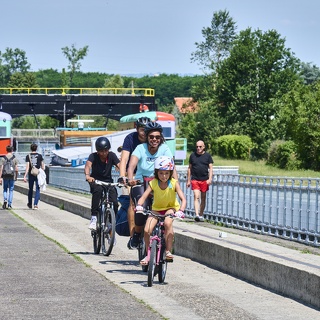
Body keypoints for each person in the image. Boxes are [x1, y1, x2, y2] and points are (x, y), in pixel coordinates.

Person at [126, 121, 177, 249]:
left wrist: (175, 183)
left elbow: (172, 167)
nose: (155, 139)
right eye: (152, 137)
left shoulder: (164, 149)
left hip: (160, 182)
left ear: (161, 138)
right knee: (141, 207)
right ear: (147, 137)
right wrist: (130, 179)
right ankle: (137, 234)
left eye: (157, 137)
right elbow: (131, 166)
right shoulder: (140, 148)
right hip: (141, 182)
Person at [135, 156, 186, 265]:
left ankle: (168, 251)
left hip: (170, 208)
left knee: (168, 223)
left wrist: (181, 210)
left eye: (167, 173)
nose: (164, 176)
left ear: (171, 173)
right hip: (156, 210)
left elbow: (183, 199)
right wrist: (139, 205)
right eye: (161, 173)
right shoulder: (153, 183)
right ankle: (148, 255)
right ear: (157, 172)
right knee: (147, 230)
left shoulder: (174, 183)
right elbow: (144, 196)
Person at [118, 117, 151, 238]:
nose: (145, 133)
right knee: (133, 202)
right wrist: (123, 177)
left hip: (150, 175)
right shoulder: (130, 139)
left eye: (147, 130)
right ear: (136, 128)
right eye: (142, 130)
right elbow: (124, 159)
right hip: (134, 175)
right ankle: (133, 236)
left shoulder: (152, 139)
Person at [85, 136, 120, 230]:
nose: (104, 153)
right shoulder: (93, 156)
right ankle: (94, 217)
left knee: (115, 202)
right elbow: (88, 165)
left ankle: (111, 222)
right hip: (95, 180)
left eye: (106, 150)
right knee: (98, 191)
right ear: (97, 151)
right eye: (101, 151)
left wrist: (125, 175)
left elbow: (119, 165)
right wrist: (88, 176)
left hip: (108, 182)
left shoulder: (112, 155)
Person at [187, 140, 213, 222]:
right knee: (196, 196)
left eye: (200, 147)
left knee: (203, 197)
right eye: (197, 147)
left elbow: (211, 168)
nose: (198, 148)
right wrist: (188, 180)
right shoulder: (192, 155)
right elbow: (189, 168)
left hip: (204, 179)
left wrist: (210, 178)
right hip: (195, 179)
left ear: (204, 147)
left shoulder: (208, 156)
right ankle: (197, 214)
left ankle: (201, 214)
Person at [23, 143, 45, 210]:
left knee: (30, 189)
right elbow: (43, 166)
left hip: (31, 174)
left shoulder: (28, 156)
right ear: (36, 148)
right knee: (37, 189)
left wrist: (25, 176)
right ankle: (35, 204)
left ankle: (30, 203)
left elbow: (27, 167)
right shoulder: (40, 156)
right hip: (38, 173)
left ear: (31, 148)